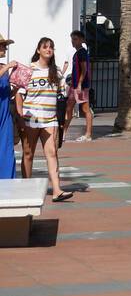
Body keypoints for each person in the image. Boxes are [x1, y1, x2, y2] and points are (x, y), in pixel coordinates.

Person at [20, 38, 72, 201]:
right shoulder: (29, 70)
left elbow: (62, 96)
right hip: (31, 118)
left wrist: (62, 117)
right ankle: (26, 187)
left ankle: (57, 190)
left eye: (51, 47)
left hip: (50, 119)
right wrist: (21, 115)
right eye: (45, 47)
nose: (49, 49)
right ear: (38, 50)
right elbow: (19, 95)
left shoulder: (56, 72)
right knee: (28, 154)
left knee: (52, 153)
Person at [62, 30, 94, 142]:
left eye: (75, 39)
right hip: (74, 86)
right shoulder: (77, 53)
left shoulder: (82, 52)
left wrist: (80, 84)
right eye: (72, 39)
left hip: (81, 86)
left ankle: (88, 134)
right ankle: (63, 134)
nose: (73, 41)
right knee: (69, 108)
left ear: (82, 40)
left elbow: (84, 70)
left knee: (86, 109)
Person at [0, 35, 18, 180]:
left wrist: (17, 88)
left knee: (6, 148)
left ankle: (7, 180)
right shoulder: (4, 68)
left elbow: (7, 93)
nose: (5, 48)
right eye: (2, 45)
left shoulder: (3, 68)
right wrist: (7, 66)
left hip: (4, 113)